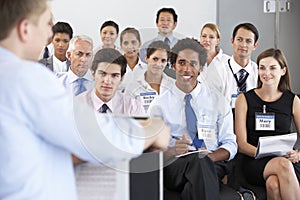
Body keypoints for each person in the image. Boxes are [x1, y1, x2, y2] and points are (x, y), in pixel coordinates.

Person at [0, 0, 170, 199]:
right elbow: (97, 138)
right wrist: (152, 131)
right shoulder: (24, 77)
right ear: (25, 29)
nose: (49, 36)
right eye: (47, 24)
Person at [148, 38, 237, 199]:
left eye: (193, 64)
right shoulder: (159, 105)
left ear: (201, 67)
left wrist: (208, 158)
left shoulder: (218, 101)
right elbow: (152, 152)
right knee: (199, 166)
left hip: (213, 162)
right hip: (176, 166)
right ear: (173, 65)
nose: (186, 69)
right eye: (181, 63)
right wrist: (173, 150)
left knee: (196, 177)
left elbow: (230, 144)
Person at [235, 48, 300, 200]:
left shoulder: (293, 100)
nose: (266, 73)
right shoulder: (244, 99)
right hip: (254, 161)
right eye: (262, 68)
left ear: (283, 71)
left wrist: (298, 154)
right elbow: (241, 143)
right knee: (282, 166)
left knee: (274, 184)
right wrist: (265, 152)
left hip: (286, 160)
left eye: (272, 68)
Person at [78, 48, 145, 115]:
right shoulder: (76, 105)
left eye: (114, 75)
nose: (107, 81)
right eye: (103, 74)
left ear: (121, 78)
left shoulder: (133, 107)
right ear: (93, 74)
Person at [125, 40, 174, 112]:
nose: (158, 64)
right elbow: (126, 116)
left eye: (163, 60)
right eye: (155, 59)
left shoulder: (173, 86)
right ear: (146, 58)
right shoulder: (133, 88)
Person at [220, 22, 259, 109]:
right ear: (232, 41)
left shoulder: (259, 72)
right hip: (226, 120)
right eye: (239, 39)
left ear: (255, 45)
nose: (243, 45)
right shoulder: (220, 70)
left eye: (248, 41)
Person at [139, 7, 179, 78]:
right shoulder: (146, 46)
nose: (165, 23)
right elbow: (143, 68)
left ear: (174, 24)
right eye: (162, 20)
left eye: (169, 20)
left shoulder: (181, 46)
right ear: (157, 23)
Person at [197, 23, 230, 93]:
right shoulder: (194, 60)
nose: (207, 40)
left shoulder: (227, 61)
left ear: (217, 41)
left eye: (211, 37)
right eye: (204, 36)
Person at [118, 27, 147, 92]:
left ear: (139, 43)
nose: (130, 46)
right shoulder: (115, 68)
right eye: (126, 43)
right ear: (121, 46)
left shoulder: (148, 69)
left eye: (133, 42)